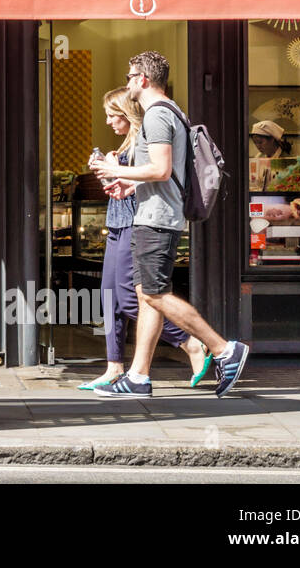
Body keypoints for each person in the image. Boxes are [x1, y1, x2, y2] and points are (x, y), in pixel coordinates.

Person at [89, 51, 250, 398]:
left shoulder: (158, 115)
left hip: (157, 220)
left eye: (131, 75)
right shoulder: (166, 113)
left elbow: (160, 169)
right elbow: (164, 173)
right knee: (147, 296)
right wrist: (129, 185)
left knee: (154, 293)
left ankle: (222, 348)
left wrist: (115, 169)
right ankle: (138, 377)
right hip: (154, 214)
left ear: (143, 79)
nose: (129, 81)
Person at [79, 87, 211, 390]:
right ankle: (114, 367)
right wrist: (110, 173)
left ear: (128, 114)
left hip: (135, 224)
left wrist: (116, 169)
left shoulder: (145, 139)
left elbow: (153, 177)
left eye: (114, 116)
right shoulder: (127, 142)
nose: (109, 122)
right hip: (115, 222)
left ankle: (190, 343)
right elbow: (124, 185)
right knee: (109, 297)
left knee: (129, 298)